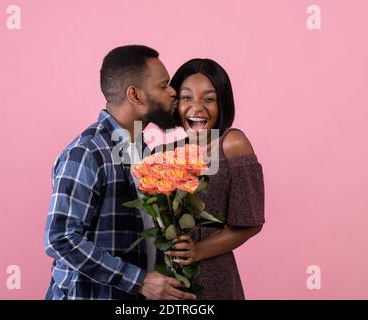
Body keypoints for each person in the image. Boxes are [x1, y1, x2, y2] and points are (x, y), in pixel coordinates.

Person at [44, 45, 196, 300]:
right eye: (163, 85)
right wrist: (140, 281)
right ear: (135, 95)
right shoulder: (87, 152)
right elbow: (61, 239)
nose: (173, 93)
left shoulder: (145, 153)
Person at [159, 58, 265, 299]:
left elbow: (251, 222)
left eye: (209, 99)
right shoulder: (168, 151)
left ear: (222, 104)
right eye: (187, 98)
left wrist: (198, 251)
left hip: (214, 274)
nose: (197, 107)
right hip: (168, 277)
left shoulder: (233, 143)